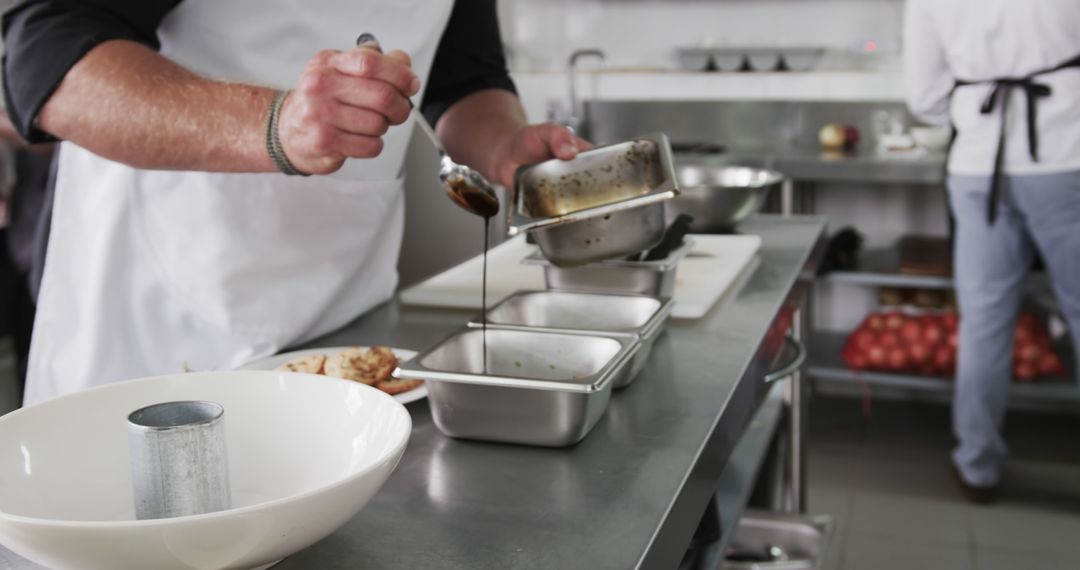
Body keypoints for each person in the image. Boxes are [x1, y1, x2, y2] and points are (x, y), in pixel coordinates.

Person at [2, 0, 588, 404]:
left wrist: (503, 145)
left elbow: (466, 79)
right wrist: (276, 125)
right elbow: (50, 62)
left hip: (347, 312)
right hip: (165, 325)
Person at [905, 0, 1080, 503]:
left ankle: (978, 466)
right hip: (1065, 159)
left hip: (977, 164)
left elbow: (924, 97)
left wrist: (976, 112)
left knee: (983, 319)